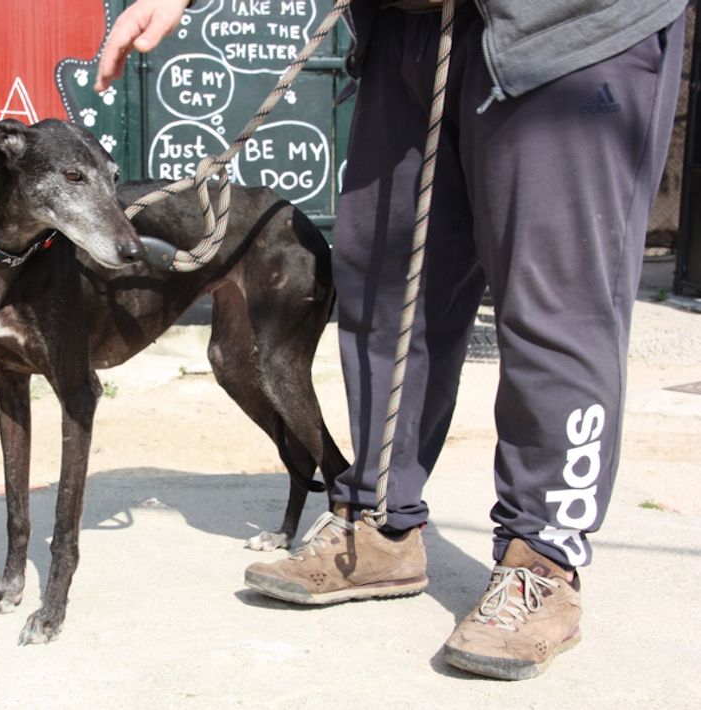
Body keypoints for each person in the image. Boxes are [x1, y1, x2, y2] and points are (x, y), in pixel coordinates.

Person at [96, 0, 688, 680]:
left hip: (559, 30)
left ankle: (543, 559)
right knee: (387, 292)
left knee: (557, 303)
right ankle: (381, 522)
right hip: (408, 29)